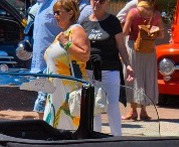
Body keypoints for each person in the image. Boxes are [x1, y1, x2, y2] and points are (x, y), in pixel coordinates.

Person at [80, 0, 133, 135]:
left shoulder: (113, 22)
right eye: (94, 0)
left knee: (112, 104)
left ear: (107, 2)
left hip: (110, 69)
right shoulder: (84, 23)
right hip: (90, 69)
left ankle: (117, 137)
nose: (97, 3)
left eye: (101, 0)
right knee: (94, 106)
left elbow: (121, 45)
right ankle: (96, 136)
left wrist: (128, 64)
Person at [43, 0, 90, 129]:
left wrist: (66, 43)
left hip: (69, 92)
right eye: (54, 13)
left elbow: (85, 54)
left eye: (58, 12)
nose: (55, 16)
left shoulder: (76, 29)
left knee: (70, 129)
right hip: (56, 92)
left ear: (70, 13)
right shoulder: (62, 34)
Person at [122, 0, 163, 121]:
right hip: (149, 49)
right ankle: (144, 111)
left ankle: (133, 111)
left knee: (134, 78)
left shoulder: (133, 12)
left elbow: (125, 32)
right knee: (147, 77)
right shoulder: (156, 14)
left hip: (134, 47)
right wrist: (150, 31)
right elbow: (161, 35)